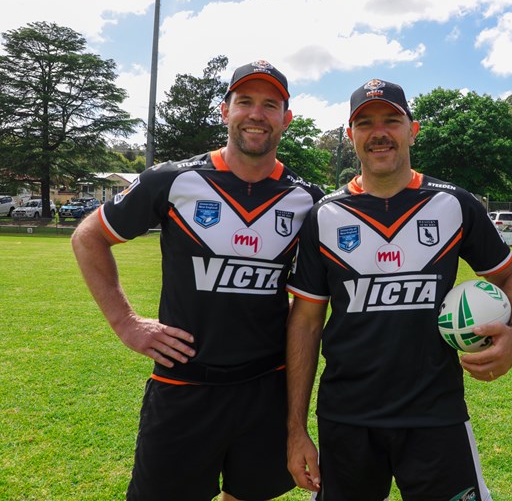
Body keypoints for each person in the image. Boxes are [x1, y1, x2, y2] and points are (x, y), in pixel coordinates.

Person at [71, 61, 324, 500]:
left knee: (249, 494)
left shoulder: (307, 200)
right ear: (225, 111)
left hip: (266, 386)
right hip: (183, 386)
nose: (257, 114)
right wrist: (126, 323)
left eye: (270, 104)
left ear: (287, 117)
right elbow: (88, 237)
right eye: (245, 102)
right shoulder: (174, 180)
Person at [285, 79, 512, 500]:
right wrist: (295, 430)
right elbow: (306, 324)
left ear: (412, 129)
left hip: (436, 414)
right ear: (351, 136)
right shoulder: (325, 216)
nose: (378, 132)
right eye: (365, 123)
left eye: (391, 120)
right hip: (347, 419)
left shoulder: (454, 204)